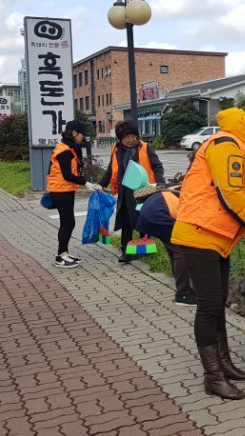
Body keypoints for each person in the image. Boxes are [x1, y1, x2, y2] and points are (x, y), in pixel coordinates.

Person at [171, 103, 245, 401]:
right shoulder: (228, 145)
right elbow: (230, 194)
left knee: (217, 302)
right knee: (209, 306)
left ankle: (224, 365)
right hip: (199, 235)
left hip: (216, 237)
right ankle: (213, 377)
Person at [98, 120, 165, 264]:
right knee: (127, 221)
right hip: (125, 190)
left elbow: (157, 167)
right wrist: (101, 185)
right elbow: (111, 169)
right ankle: (126, 252)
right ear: (120, 138)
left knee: (144, 219)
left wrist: (160, 184)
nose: (130, 140)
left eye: (133, 136)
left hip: (144, 189)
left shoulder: (146, 148)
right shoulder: (116, 150)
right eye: (126, 137)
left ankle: (146, 249)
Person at [46, 120, 100, 268]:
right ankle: (60, 256)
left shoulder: (70, 148)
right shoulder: (64, 151)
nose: (83, 137)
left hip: (65, 189)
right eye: (82, 134)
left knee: (67, 222)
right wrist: (86, 183)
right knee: (68, 222)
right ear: (75, 133)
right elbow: (67, 175)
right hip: (60, 190)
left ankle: (64, 253)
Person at [135, 184, 199, 307]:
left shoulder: (179, 185)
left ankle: (184, 289)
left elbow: (147, 190)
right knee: (181, 251)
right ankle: (183, 294)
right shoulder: (194, 192)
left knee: (174, 250)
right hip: (158, 214)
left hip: (148, 210)